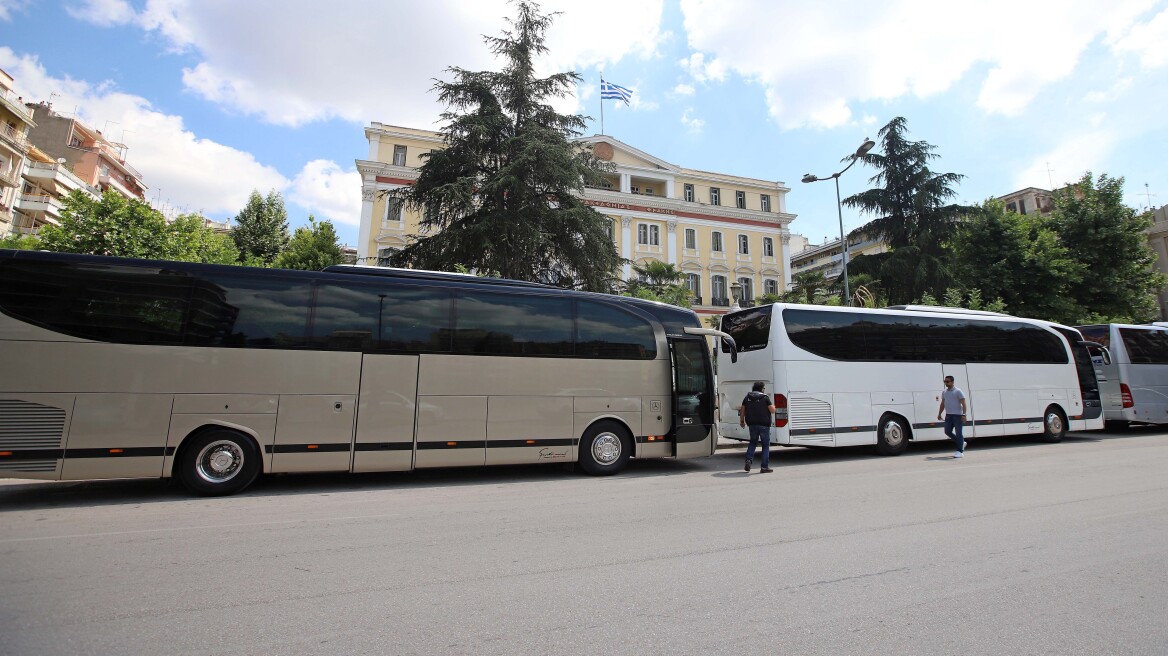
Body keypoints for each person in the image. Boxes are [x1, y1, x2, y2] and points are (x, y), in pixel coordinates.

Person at [738, 381, 776, 473]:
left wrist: (742, 421)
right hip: (764, 424)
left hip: (752, 424)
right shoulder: (765, 397)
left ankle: (748, 460)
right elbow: (772, 410)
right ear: (761, 388)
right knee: (765, 445)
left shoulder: (747, 398)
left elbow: (742, 410)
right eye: (764, 388)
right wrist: (774, 406)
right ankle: (764, 467)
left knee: (753, 442)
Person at [937, 375, 968, 458]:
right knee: (947, 431)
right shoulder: (944, 392)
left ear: (952, 382)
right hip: (949, 415)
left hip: (958, 416)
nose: (946, 383)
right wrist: (939, 413)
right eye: (945, 381)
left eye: (947, 381)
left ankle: (959, 451)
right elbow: (943, 403)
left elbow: (964, 404)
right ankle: (961, 443)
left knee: (959, 433)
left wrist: (964, 414)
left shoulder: (958, 391)